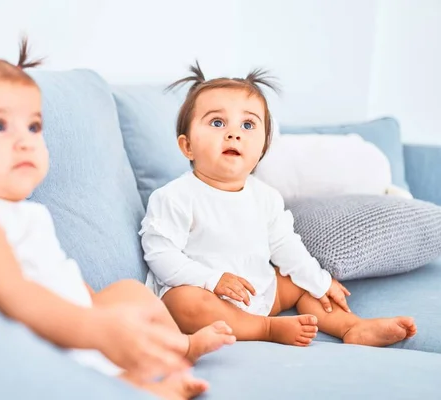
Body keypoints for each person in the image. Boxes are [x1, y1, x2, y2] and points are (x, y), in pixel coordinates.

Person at [0, 20, 235, 400]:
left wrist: (98, 310)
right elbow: (11, 293)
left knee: (130, 292)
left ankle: (181, 346)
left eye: (33, 127)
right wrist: (95, 327)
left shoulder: (17, 211)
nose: (25, 142)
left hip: (70, 322)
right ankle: (135, 388)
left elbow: (59, 282)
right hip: (19, 341)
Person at [140, 61, 417, 347]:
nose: (233, 133)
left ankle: (352, 327)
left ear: (262, 148)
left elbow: (286, 247)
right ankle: (266, 329)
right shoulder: (174, 196)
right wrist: (212, 280)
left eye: (248, 124)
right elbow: (160, 255)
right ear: (187, 146)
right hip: (206, 294)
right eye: (217, 123)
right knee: (182, 301)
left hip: (259, 292)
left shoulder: (266, 197)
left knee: (300, 283)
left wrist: (320, 281)